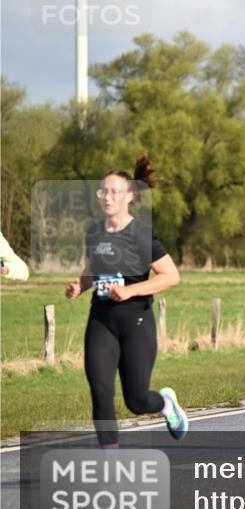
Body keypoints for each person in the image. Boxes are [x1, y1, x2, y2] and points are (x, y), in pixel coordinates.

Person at [65, 156, 187, 448]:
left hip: (136, 320)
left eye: (114, 192)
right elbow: (93, 270)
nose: (107, 197)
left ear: (130, 196)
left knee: (137, 400)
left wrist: (131, 291)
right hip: (102, 319)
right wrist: (78, 286)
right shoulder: (95, 232)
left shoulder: (142, 234)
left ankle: (166, 404)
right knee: (101, 389)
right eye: (102, 192)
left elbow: (171, 276)